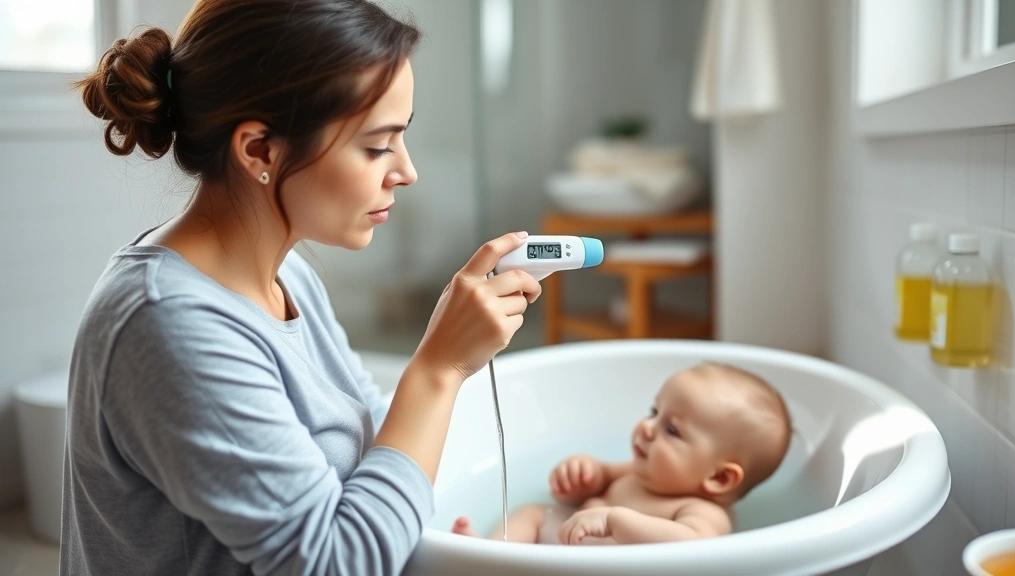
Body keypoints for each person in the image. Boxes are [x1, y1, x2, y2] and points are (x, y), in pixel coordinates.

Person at [61, 1, 542, 575]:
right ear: (259, 151)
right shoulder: (168, 325)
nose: (407, 171)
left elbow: (371, 442)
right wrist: (438, 368)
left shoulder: (289, 278)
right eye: (376, 145)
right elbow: (334, 565)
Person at [452, 362, 792, 545]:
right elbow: (601, 477)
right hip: (566, 548)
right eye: (653, 412)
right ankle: (494, 555)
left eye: (671, 430)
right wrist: (585, 474)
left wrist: (614, 520)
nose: (646, 427)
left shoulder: (703, 513)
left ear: (719, 477)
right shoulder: (639, 471)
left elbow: (690, 547)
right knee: (531, 513)